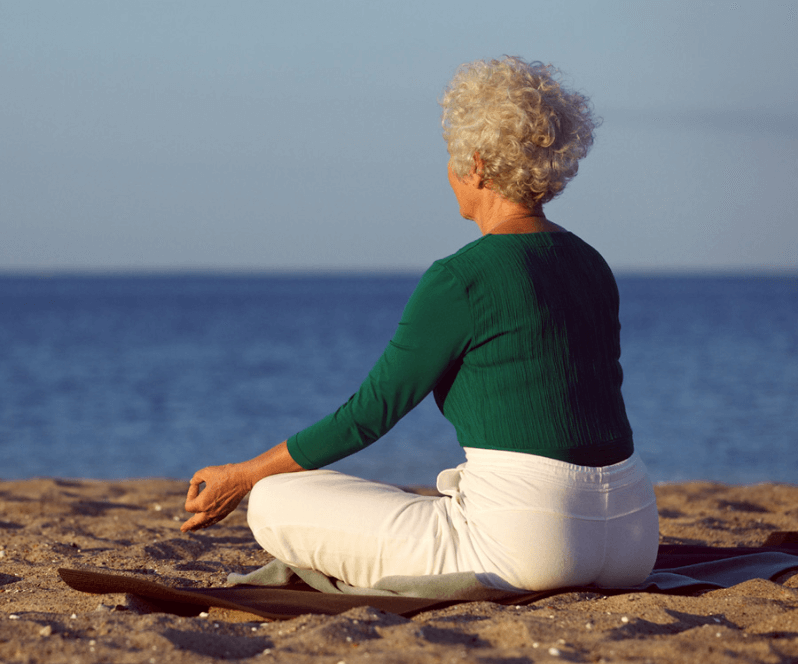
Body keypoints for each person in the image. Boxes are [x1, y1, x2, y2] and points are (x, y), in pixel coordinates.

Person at [182, 56, 659, 592]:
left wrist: (244, 475)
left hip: (527, 547)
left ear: (475, 165)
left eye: (453, 160)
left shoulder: (462, 277)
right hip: (633, 539)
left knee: (273, 498)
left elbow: (367, 416)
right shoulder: (591, 263)